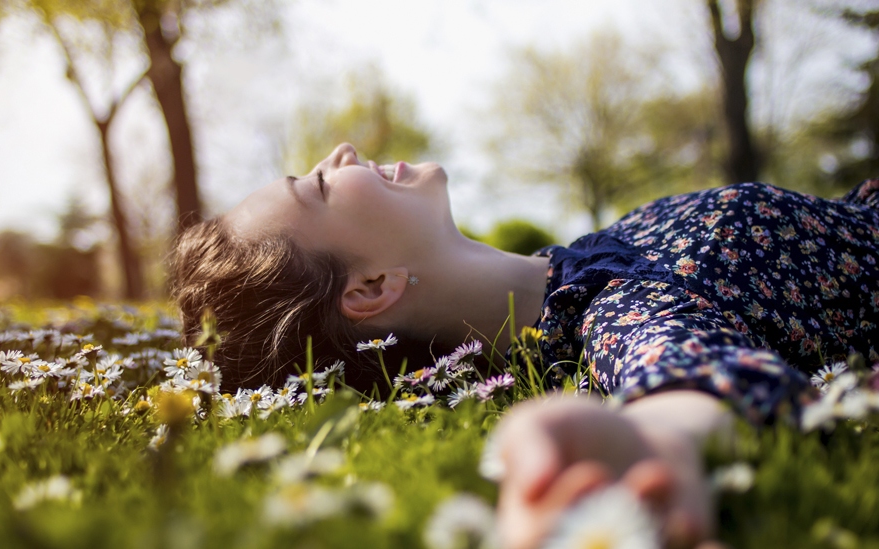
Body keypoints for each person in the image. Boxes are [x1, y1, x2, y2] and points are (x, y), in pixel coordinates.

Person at [170, 142, 879, 548]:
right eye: (320, 183)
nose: (343, 151)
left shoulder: (582, 261)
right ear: (369, 289)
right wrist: (648, 450)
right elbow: (682, 378)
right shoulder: (612, 310)